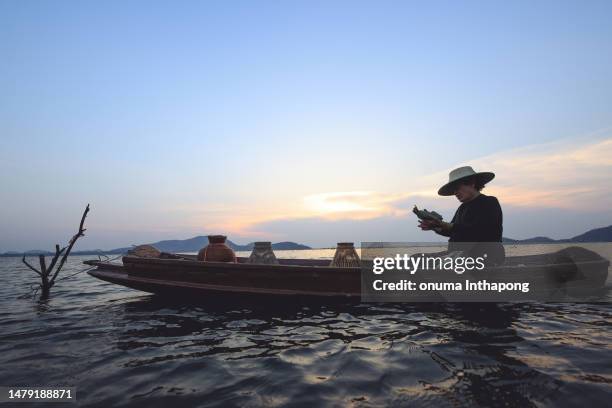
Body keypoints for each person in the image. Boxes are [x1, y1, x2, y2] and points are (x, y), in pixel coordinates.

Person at [419, 166, 505, 265]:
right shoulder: (462, 207)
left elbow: (480, 230)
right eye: (453, 190)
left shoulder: (489, 202)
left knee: (421, 263)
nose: (455, 193)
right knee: (415, 259)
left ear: (472, 183)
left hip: (484, 256)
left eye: (457, 188)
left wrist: (444, 224)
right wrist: (434, 226)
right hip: (458, 255)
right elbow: (452, 231)